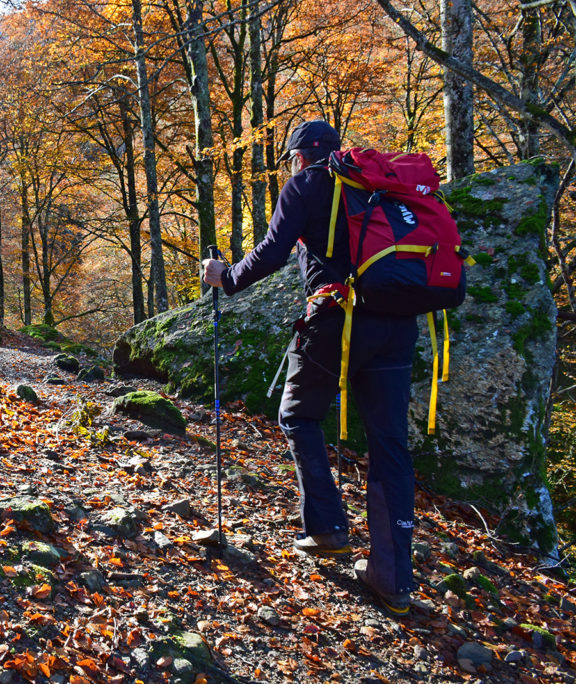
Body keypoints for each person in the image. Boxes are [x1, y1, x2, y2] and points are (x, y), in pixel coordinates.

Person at [201, 120, 418, 616]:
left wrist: (226, 276)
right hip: (398, 324)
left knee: (298, 414)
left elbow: (274, 250)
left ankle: (326, 529)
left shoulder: (308, 182)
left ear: (298, 157)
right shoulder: (378, 187)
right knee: (390, 445)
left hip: (337, 316)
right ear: (336, 150)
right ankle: (393, 578)